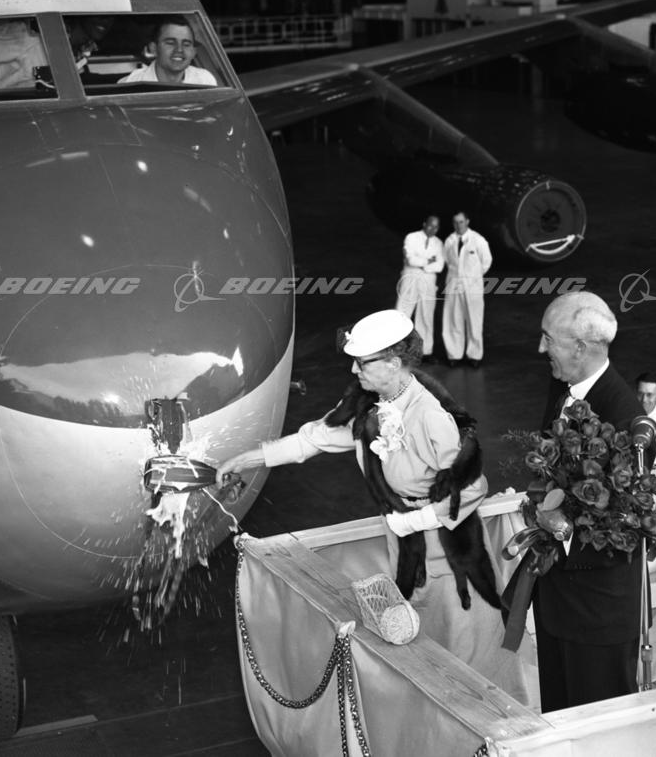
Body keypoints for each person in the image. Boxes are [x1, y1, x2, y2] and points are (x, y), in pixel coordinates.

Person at [217, 309, 531, 703]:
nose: (353, 370)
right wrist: (247, 459)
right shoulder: (366, 404)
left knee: (467, 655)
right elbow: (312, 440)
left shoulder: (431, 417)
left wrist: (416, 520)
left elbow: (471, 487)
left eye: (362, 362)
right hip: (405, 544)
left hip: (453, 557)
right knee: (424, 651)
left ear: (394, 363)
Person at [535, 290, 648, 712]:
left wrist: (559, 527)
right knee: (559, 723)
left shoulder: (625, 419)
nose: (541, 348)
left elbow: (623, 527)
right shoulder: (562, 386)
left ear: (580, 348)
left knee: (598, 734)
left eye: (549, 338)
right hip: (559, 606)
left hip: (597, 616)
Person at [442, 211, 492, 368]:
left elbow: (486, 261)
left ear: (467, 222)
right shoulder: (449, 240)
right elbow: (447, 260)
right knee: (453, 319)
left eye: (461, 221)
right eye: (456, 222)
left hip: (472, 286)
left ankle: (474, 355)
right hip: (454, 284)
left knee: (474, 320)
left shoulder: (478, 240)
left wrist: (473, 277)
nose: (458, 225)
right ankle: (454, 355)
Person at [395, 215, 444, 363]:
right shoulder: (412, 237)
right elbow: (410, 259)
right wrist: (429, 260)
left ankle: (425, 352)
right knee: (402, 314)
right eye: (430, 225)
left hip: (428, 282)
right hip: (410, 278)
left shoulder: (438, 243)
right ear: (424, 224)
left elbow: (439, 266)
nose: (432, 229)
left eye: (436, 227)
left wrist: (422, 263)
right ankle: (397, 350)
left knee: (426, 316)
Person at [118, 16, 217, 86]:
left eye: (186, 44)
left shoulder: (205, 80)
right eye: (170, 43)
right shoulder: (130, 84)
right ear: (154, 48)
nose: (179, 49)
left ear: (193, 52)